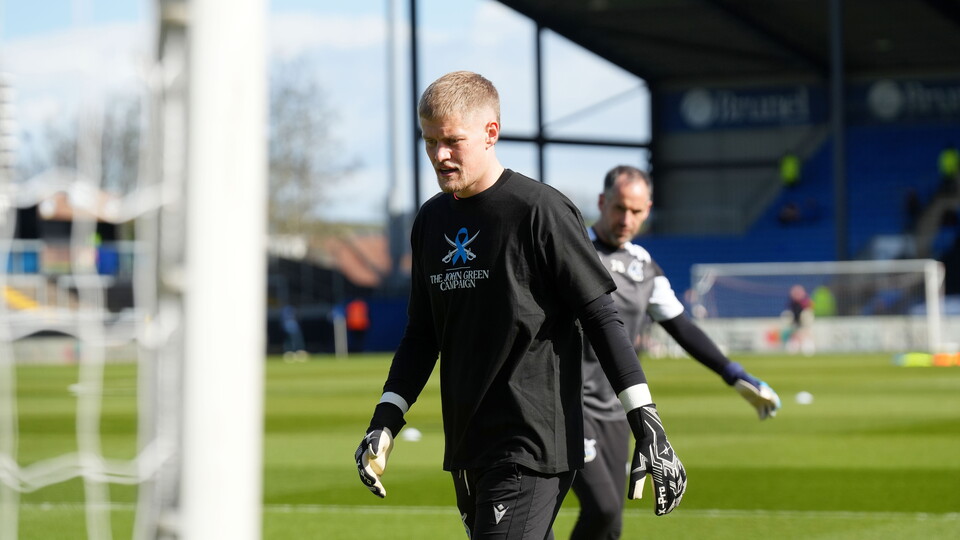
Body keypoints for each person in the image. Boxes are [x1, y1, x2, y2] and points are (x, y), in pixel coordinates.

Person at [354, 71, 686, 539]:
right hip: (468, 446)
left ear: (491, 133)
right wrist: (385, 419)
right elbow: (422, 333)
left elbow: (600, 316)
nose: (439, 156)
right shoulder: (430, 220)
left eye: (452, 141)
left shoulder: (541, 211)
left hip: (531, 446)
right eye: (429, 142)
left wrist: (646, 420)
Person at [569, 165, 782, 540]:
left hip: (619, 410)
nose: (626, 219)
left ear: (648, 209)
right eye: (619, 208)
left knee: (611, 523)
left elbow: (683, 328)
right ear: (602, 203)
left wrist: (733, 373)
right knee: (600, 507)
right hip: (567, 406)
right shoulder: (572, 251)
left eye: (636, 211)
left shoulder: (645, 268)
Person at [783, 284, 815, 355]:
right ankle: (796, 342)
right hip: (795, 328)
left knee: (808, 348)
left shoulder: (806, 304)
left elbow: (807, 321)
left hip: (804, 329)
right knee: (792, 348)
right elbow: (790, 321)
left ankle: (807, 343)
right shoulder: (791, 305)